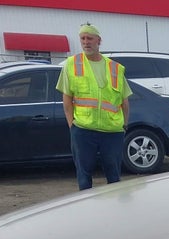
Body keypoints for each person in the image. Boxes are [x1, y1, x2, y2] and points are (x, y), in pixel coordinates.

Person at [57, 23, 131, 190]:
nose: (86, 42)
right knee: (84, 176)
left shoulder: (115, 68)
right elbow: (67, 99)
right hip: (83, 130)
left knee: (114, 177)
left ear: (99, 41)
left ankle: (114, 210)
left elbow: (124, 101)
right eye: (82, 38)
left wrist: (124, 125)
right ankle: (87, 211)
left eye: (89, 38)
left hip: (112, 132)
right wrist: (73, 127)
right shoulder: (72, 64)